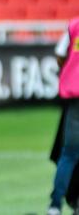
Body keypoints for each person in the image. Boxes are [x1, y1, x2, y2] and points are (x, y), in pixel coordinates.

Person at [48, 18, 79, 215]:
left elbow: (60, 54)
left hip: (76, 99)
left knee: (68, 155)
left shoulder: (74, 25)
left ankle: (55, 205)